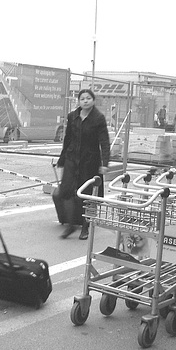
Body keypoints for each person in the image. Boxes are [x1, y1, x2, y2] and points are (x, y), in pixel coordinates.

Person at [56, 89, 110, 240]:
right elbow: (68, 139)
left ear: (93, 100)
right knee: (65, 191)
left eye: (88, 98)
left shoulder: (98, 118)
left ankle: (86, 226)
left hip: (89, 161)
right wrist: (62, 159)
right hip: (72, 158)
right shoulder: (72, 116)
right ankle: (71, 224)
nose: (85, 101)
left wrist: (105, 162)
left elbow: (104, 142)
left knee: (87, 195)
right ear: (79, 101)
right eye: (82, 98)